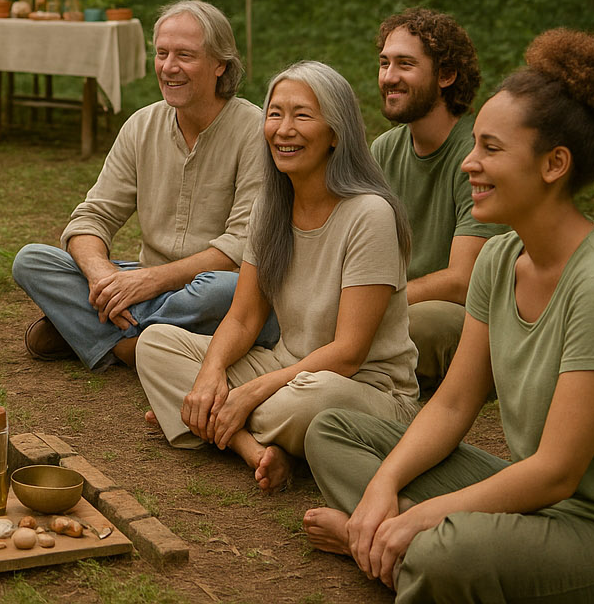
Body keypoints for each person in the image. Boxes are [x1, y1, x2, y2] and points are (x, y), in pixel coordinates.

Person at [303, 31, 594, 602]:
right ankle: (394, 539)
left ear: (554, 164)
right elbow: (450, 404)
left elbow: (556, 473)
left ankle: (394, 544)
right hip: (536, 507)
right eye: (475, 146)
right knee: (332, 430)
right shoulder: (500, 258)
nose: (469, 162)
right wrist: (385, 487)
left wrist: (425, 518)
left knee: (446, 551)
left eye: (491, 149)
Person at [139, 61, 420, 493]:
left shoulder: (369, 214)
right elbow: (244, 318)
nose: (283, 129)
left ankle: (202, 417)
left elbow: (347, 353)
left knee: (310, 401)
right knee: (155, 344)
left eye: (302, 115)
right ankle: (249, 447)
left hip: (359, 388)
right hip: (286, 368)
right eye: (275, 114)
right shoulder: (269, 209)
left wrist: (246, 395)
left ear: (336, 132)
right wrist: (212, 373)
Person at [12, 0, 275, 372]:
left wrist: (150, 282)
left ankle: (109, 340)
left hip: (209, 286)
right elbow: (92, 217)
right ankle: (145, 339)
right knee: (32, 261)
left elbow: (240, 248)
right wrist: (104, 278)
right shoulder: (141, 125)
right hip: (144, 280)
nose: (169, 67)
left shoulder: (255, 130)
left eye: (185, 55)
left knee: (228, 291)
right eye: (162, 53)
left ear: (220, 64)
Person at [373, 9, 505, 389]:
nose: (389, 77)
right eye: (384, 63)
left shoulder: (477, 156)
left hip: (469, 320)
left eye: (405, 64)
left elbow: (463, 282)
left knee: (420, 323)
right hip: (398, 307)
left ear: (446, 76)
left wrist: (379, 303)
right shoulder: (384, 150)